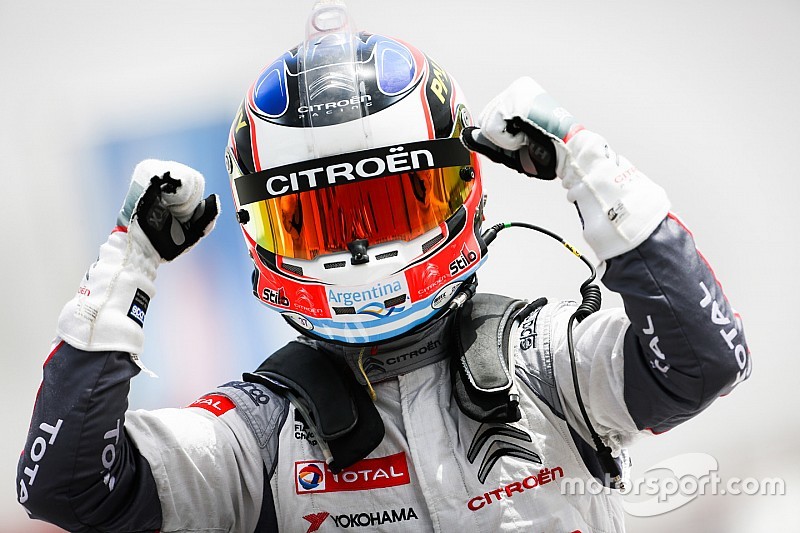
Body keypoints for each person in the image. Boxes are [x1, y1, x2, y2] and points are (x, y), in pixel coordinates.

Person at [17, 2, 751, 532]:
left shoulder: (548, 362)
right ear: (259, 227)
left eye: (390, 201)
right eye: (324, 218)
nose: (361, 248)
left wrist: (589, 167)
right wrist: (128, 261)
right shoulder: (259, 435)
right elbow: (67, 487)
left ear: (461, 186)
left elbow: (704, 359)